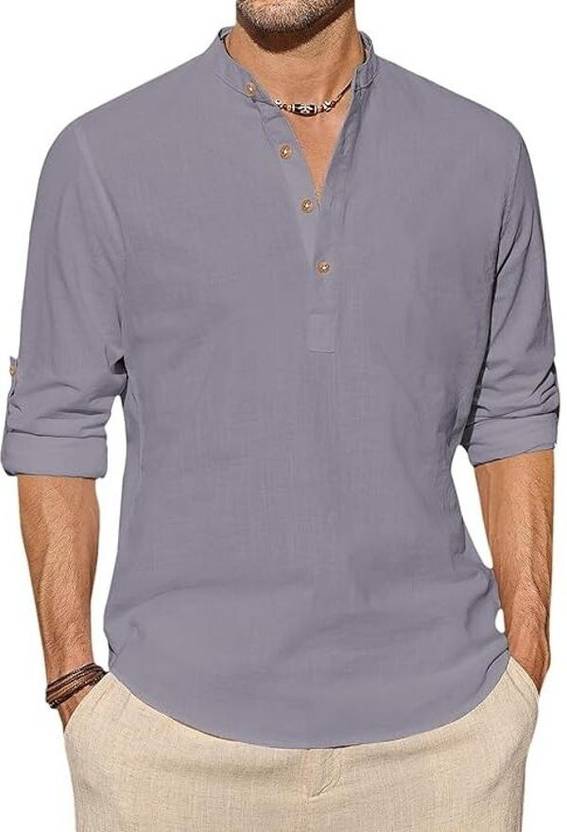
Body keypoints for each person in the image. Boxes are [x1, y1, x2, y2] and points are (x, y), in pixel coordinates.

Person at [2, 1, 558, 830]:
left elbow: (513, 408)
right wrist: (73, 681)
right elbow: (53, 424)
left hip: (446, 747)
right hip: (167, 744)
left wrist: (526, 659)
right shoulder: (102, 154)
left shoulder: (483, 154)